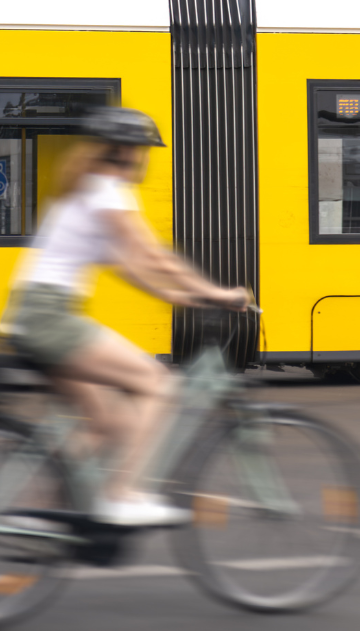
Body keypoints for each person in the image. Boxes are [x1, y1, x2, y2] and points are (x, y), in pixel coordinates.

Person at [0, 107, 250, 526]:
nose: (146, 158)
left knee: (107, 423)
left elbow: (126, 265)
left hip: (31, 318)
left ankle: (48, 516)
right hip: (50, 319)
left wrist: (173, 295)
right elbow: (152, 256)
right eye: (144, 150)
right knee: (158, 384)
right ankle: (123, 496)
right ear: (126, 151)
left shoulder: (86, 189)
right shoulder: (109, 191)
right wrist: (219, 293)